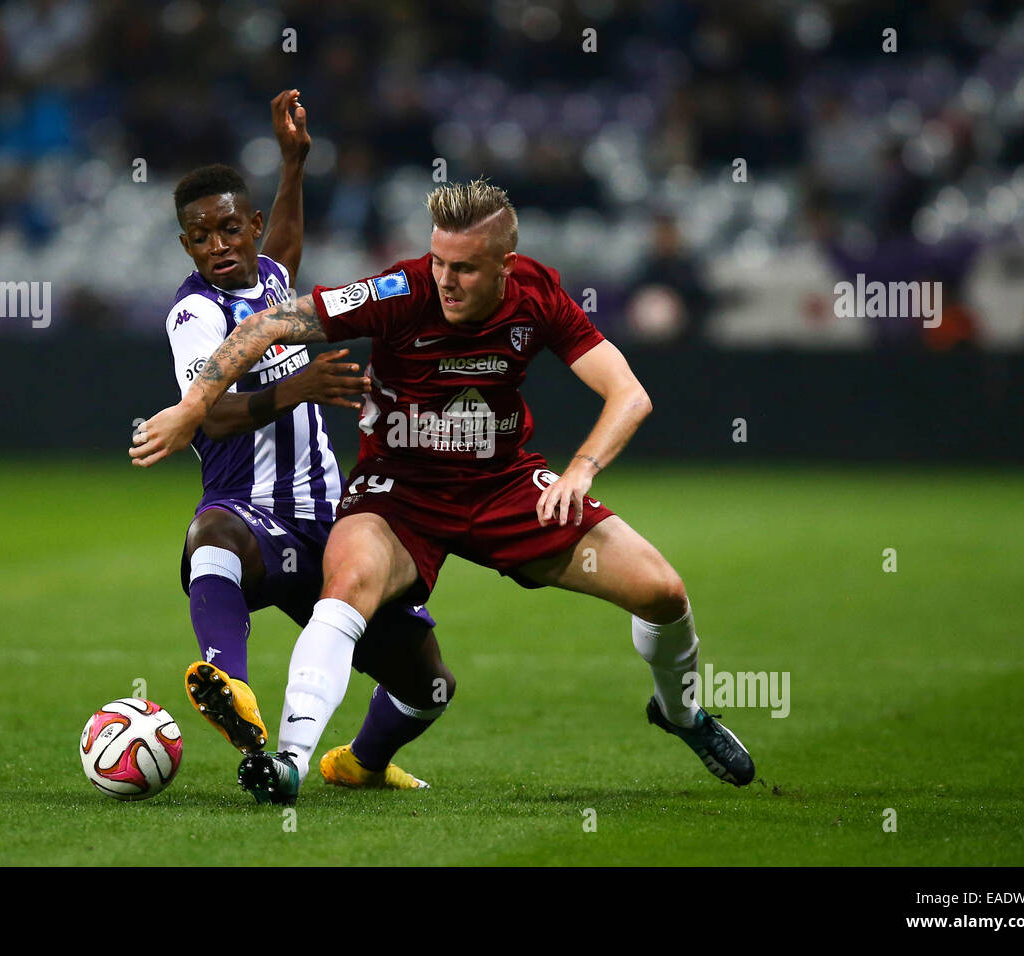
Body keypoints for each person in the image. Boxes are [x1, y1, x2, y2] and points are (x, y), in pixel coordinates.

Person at [134, 178, 754, 805]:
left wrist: (581, 470)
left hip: (506, 487)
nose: (446, 280)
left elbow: (629, 393)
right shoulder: (400, 290)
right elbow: (266, 324)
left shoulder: (537, 294)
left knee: (663, 592)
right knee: (345, 587)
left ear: (504, 268)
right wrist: (195, 407)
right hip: (398, 495)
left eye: (463, 268)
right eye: (438, 262)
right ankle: (289, 762)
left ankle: (680, 713)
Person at [161, 90, 454, 798]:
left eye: (231, 229)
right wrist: (298, 387)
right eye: (202, 237)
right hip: (254, 517)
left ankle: (359, 762)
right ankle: (229, 682)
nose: (219, 246)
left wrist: (292, 166)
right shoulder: (193, 314)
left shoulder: (267, 278)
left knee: (430, 685)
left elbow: (283, 254)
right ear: (186, 245)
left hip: (331, 523)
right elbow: (212, 414)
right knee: (210, 533)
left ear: (251, 225)